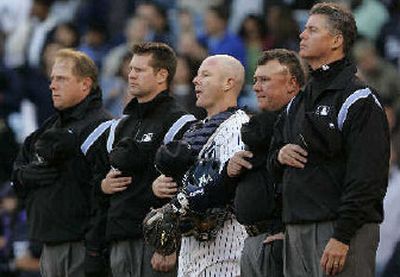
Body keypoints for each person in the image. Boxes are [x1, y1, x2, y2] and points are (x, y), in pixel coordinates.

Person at [267, 3, 390, 277]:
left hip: (340, 231)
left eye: (312, 29)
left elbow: (368, 175)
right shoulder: (297, 101)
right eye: (304, 28)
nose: (302, 34)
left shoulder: (358, 99)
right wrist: (279, 155)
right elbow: (271, 160)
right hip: (297, 226)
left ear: (336, 40)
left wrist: (343, 236)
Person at [11, 49, 112, 277]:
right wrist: (26, 175)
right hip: (48, 245)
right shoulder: (47, 128)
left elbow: (104, 197)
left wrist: (95, 250)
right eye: (52, 79)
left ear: (85, 84)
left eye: (62, 79)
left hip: (82, 246)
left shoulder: (103, 128)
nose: (52, 85)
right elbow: (16, 173)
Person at [99, 42, 195, 277]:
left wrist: (167, 243)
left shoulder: (180, 122)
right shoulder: (121, 124)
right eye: (131, 69)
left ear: (162, 75)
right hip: (119, 237)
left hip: (153, 241)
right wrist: (103, 185)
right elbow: (102, 177)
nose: (130, 75)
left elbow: (184, 187)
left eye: (139, 70)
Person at [151, 54, 249, 276]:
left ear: (228, 83)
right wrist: (163, 185)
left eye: (206, 75)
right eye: (197, 74)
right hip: (191, 249)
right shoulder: (195, 129)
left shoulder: (239, 127)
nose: (196, 80)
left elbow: (221, 188)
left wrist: (179, 203)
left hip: (224, 247)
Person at [226, 49, 305, 277]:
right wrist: (231, 171)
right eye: (255, 80)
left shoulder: (300, 123)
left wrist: (282, 229)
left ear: (291, 84)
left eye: (265, 80)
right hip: (251, 239)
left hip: (279, 239)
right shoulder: (260, 126)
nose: (256, 88)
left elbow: (301, 183)